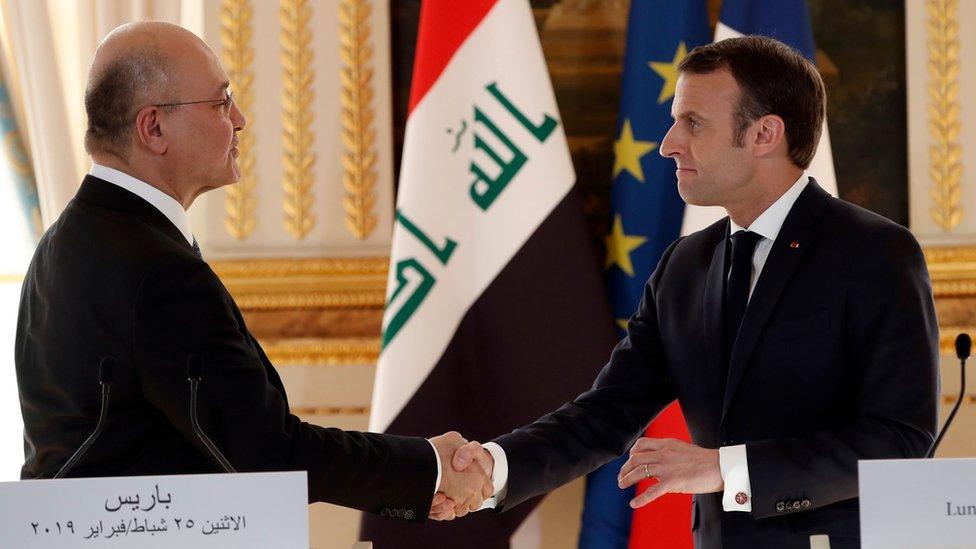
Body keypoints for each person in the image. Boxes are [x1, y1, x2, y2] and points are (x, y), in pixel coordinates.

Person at [434, 36, 939, 548]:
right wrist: (491, 469)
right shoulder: (684, 265)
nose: (669, 143)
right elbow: (605, 414)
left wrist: (726, 469)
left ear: (765, 133)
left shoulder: (874, 253)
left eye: (693, 123)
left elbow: (900, 442)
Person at [15, 21, 491, 521]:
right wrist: (430, 467)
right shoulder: (156, 270)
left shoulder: (68, 239)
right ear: (153, 128)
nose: (239, 119)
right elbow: (266, 455)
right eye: (221, 102)